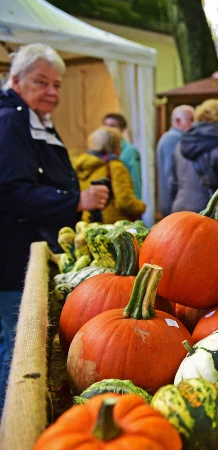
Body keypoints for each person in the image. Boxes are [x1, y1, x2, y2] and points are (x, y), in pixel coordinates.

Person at [0, 44, 108, 408]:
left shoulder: (32, 118)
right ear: (16, 80)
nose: (52, 92)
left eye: (57, 85)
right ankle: (11, 421)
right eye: (41, 82)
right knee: (16, 348)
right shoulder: (11, 120)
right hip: (12, 256)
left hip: (31, 250)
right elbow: (11, 190)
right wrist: (75, 201)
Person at [72, 127, 146, 223]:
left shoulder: (81, 166)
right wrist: (142, 207)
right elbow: (124, 202)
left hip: (88, 223)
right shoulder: (115, 166)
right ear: (115, 146)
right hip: (114, 227)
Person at [156, 105, 194, 219]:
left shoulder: (172, 137)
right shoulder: (173, 139)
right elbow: (171, 173)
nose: (194, 124)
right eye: (191, 119)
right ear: (177, 120)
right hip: (172, 202)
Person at [103, 113, 142, 199]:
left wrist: (135, 206)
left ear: (122, 129)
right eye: (105, 125)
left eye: (112, 126)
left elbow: (135, 181)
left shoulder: (130, 151)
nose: (108, 129)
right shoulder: (101, 150)